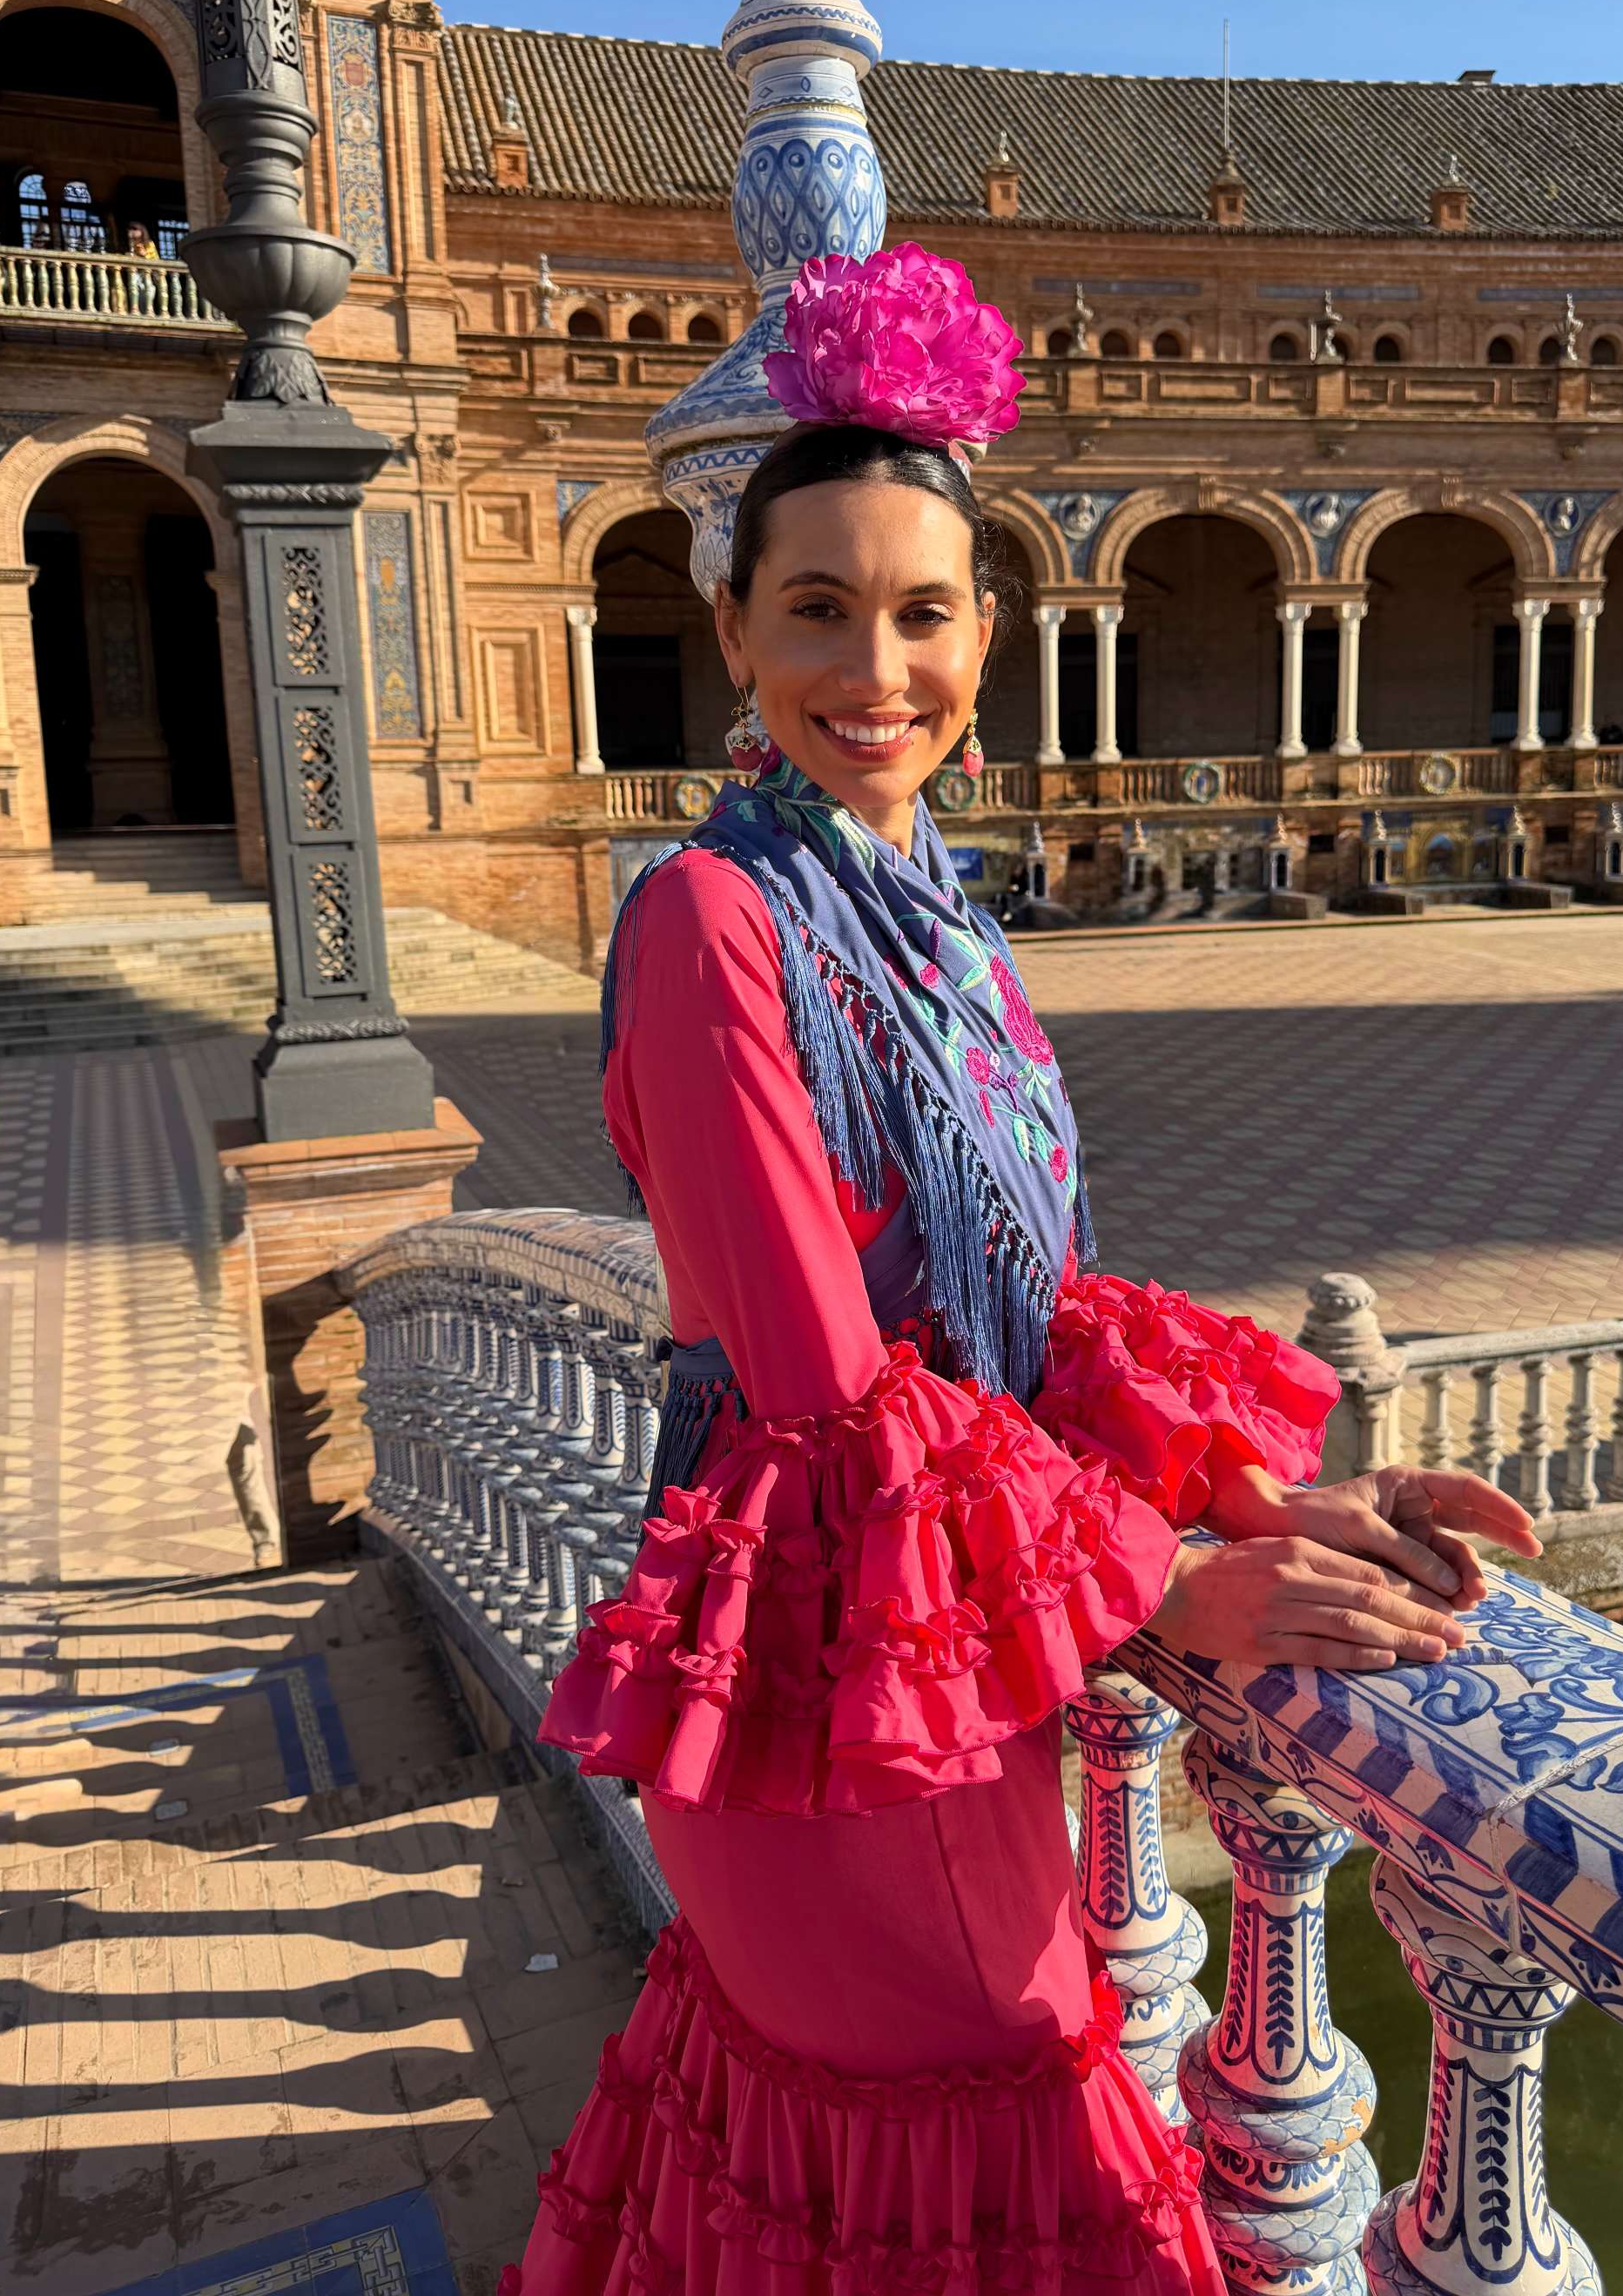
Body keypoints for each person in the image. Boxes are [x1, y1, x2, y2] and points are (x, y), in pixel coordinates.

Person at [501, 245, 1539, 2296]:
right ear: (730, 623)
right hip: (832, 1697)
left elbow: (1027, 1322)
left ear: (991, 631)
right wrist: (1177, 1584)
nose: (874, 667)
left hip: (958, 1652)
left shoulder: (942, 927)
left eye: (922, 611)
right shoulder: (712, 916)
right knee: (969, 2153)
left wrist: (1257, 1491)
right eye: (817, 608)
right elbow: (824, 1389)